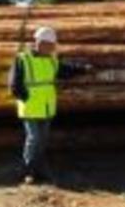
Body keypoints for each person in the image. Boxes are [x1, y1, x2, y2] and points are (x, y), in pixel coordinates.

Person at [8, 26, 92, 184]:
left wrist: (84, 69)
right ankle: (28, 171)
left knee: (43, 139)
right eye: (47, 44)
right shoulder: (23, 59)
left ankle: (39, 168)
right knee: (33, 138)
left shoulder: (52, 60)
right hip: (30, 107)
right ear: (37, 42)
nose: (50, 48)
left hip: (47, 106)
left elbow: (66, 70)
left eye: (52, 45)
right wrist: (23, 96)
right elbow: (14, 83)